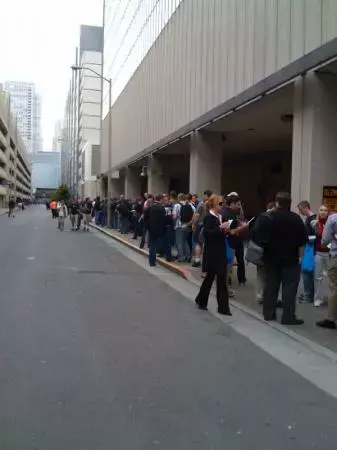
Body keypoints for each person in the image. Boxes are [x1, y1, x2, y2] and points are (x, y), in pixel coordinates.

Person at [252, 192, 307, 325]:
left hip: (270, 257)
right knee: (289, 288)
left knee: (270, 286)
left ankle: (269, 313)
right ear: (290, 203)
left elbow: (255, 236)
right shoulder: (295, 219)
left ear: (276, 203)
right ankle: (288, 316)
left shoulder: (267, 217)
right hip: (290, 258)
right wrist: (298, 252)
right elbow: (302, 240)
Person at [195, 195, 231, 315]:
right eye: (220, 204)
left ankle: (223, 308)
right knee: (209, 278)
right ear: (214, 205)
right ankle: (201, 301)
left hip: (221, 251)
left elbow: (220, 234)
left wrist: (226, 230)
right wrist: (220, 228)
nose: (222, 206)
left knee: (222, 279)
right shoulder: (209, 217)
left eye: (223, 203)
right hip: (211, 252)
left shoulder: (221, 217)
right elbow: (207, 233)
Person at [316, 211, 337, 329]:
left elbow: (325, 240)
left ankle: (331, 319)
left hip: (336, 257)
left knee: (334, 287)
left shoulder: (333, 219)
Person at [308, 205, 330, 307]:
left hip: (330, 253)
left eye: (325, 210)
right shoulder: (314, 223)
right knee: (318, 277)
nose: (323, 212)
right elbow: (308, 235)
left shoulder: (332, 223)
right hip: (318, 253)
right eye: (321, 210)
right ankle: (318, 299)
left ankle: (332, 299)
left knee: (332, 277)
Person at [297, 200, 317, 303]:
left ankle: (308, 295)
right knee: (308, 272)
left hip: (310, 248)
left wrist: (305, 238)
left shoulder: (312, 219)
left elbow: (316, 235)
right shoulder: (311, 219)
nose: (301, 212)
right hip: (310, 248)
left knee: (306, 271)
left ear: (305, 208)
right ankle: (308, 294)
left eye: (301, 210)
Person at [145, 193, 168, 267]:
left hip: (152, 229)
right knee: (157, 244)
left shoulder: (150, 207)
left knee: (152, 245)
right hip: (159, 230)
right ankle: (153, 260)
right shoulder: (161, 208)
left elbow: (146, 218)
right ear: (161, 199)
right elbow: (164, 220)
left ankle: (152, 261)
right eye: (163, 200)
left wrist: (148, 227)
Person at [192, 190, 212, 268]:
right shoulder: (213, 204)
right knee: (207, 244)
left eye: (204, 195)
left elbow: (196, 215)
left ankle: (197, 260)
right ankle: (207, 261)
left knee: (198, 243)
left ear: (206, 195)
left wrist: (193, 224)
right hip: (209, 226)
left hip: (200, 225)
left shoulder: (202, 204)